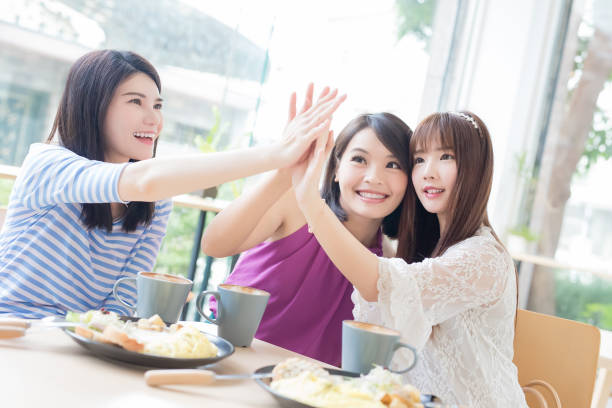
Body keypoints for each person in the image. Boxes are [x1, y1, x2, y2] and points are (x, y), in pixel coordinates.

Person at [0, 50, 344, 319]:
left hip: (77, 343)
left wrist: (287, 166)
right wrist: (277, 154)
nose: (154, 119)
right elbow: (145, 180)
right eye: (135, 101)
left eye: (158, 105)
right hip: (15, 332)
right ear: (93, 106)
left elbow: (124, 298)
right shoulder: (47, 164)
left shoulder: (156, 202)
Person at [291, 111, 527, 407]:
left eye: (446, 157)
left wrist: (311, 204)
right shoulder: (426, 252)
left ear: (476, 169)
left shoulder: (483, 257)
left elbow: (379, 285)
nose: (428, 171)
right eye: (419, 159)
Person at [202, 85, 412, 365]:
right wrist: (284, 169)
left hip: (305, 390)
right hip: (230, 358)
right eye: (359, 159)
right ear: (336, 168)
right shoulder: (296, 207)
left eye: (394, 165)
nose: (374, 177)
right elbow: (215, 244)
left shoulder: (390, 263)